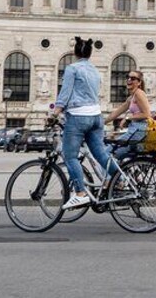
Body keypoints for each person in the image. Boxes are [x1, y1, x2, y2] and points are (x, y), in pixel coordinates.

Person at [53, 37, 118, 209]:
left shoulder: (72, 68)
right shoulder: (95, 71)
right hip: (96, 116)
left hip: (78, 117)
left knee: (70, 156)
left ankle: (80, 193)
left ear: (75, 52)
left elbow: (65, 94)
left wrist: (55, 113)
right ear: (89, 53)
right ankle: (120, 180)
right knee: (101, 155)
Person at [105, 70, 151, 160]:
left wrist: (127, 118)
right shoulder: (131, 98)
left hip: (138, 131)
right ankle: (123, 172)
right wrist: (102, 122)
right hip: (135, 130)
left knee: (107, 154)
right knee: (116, 154)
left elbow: (147, 114)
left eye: (133, 78)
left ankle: (117, 174)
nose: (129, 80)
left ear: (139, 82)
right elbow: (117, 112)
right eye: (128, 77)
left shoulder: (139, 93)